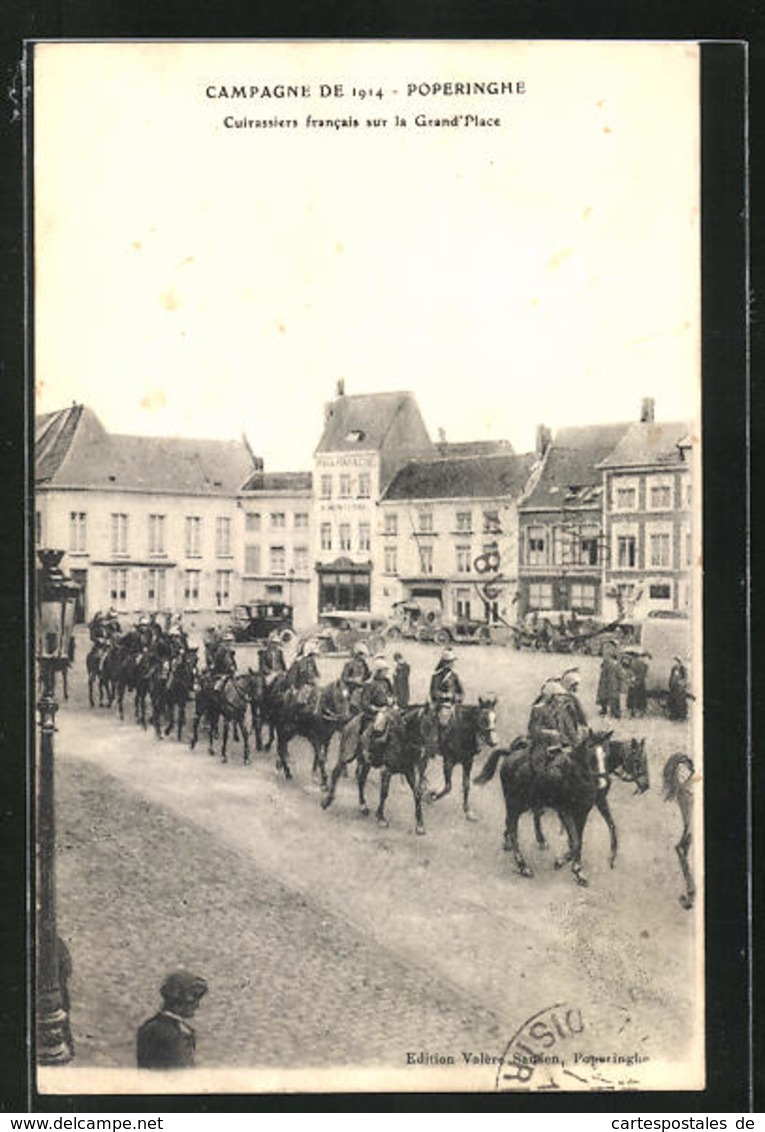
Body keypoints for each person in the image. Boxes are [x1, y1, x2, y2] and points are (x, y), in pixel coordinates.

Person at [136, 970, 208, 1070]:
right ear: (178, 999)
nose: (197, 1006)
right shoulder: (158, 1030)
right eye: (193, 999)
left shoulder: (183, 1030)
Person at [596, 639, 624, 718]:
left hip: (606, 679)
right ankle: (614, 712)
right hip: (611, 680)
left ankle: (605, 709)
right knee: (613, 696)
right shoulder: (615, 660)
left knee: (604, 694)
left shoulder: (607, 654)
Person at [341, 642, 372, 713]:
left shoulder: (364, 664)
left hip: (361, 686)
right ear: (358, 654)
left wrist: (370, 674)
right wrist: (353, 680)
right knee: (348, 700)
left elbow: (366, 675)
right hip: (351, 687)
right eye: (363, 655)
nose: (364, 657)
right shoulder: (349, 664)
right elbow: (344, 678)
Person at [626, 651, 650, 718]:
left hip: (634, 682)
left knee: (632, 697)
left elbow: (630, 673)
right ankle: (640, 712)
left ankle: (632, 712)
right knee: (641, 698)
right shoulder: (643, 664)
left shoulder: (633, 663)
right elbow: (644, 673)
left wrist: (631, 679)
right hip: (640, 682)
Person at [668, 656, 691, 721]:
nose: (675, 663)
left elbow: (685, 678)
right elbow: (671, 677)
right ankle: (674, 715)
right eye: (674, 661)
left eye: (676, 661)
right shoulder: (673, 669)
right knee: (673, 701)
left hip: (680, 689)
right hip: (673, 688)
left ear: (679, 662)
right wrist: (670, 684)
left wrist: (681, 683)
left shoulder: (683, 669)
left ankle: (682, 716)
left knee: (680, 702)